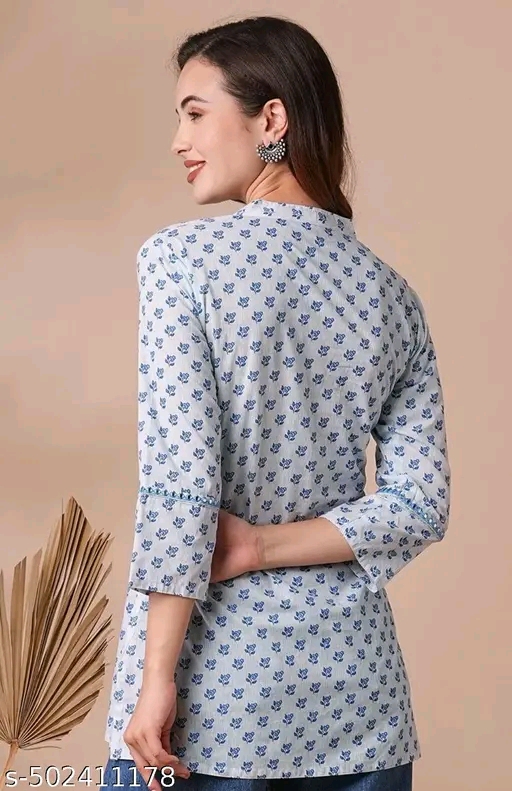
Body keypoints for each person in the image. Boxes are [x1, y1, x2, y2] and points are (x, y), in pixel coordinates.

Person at [100, 15, 451, 791]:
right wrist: (261, 544)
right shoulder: (392, 296)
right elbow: (420, 505)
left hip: (216, 701)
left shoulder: (181, 262)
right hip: (360, 709)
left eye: (195, 112)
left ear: (272, 119)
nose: (178, 140)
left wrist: (156, 679)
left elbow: (183, 481)